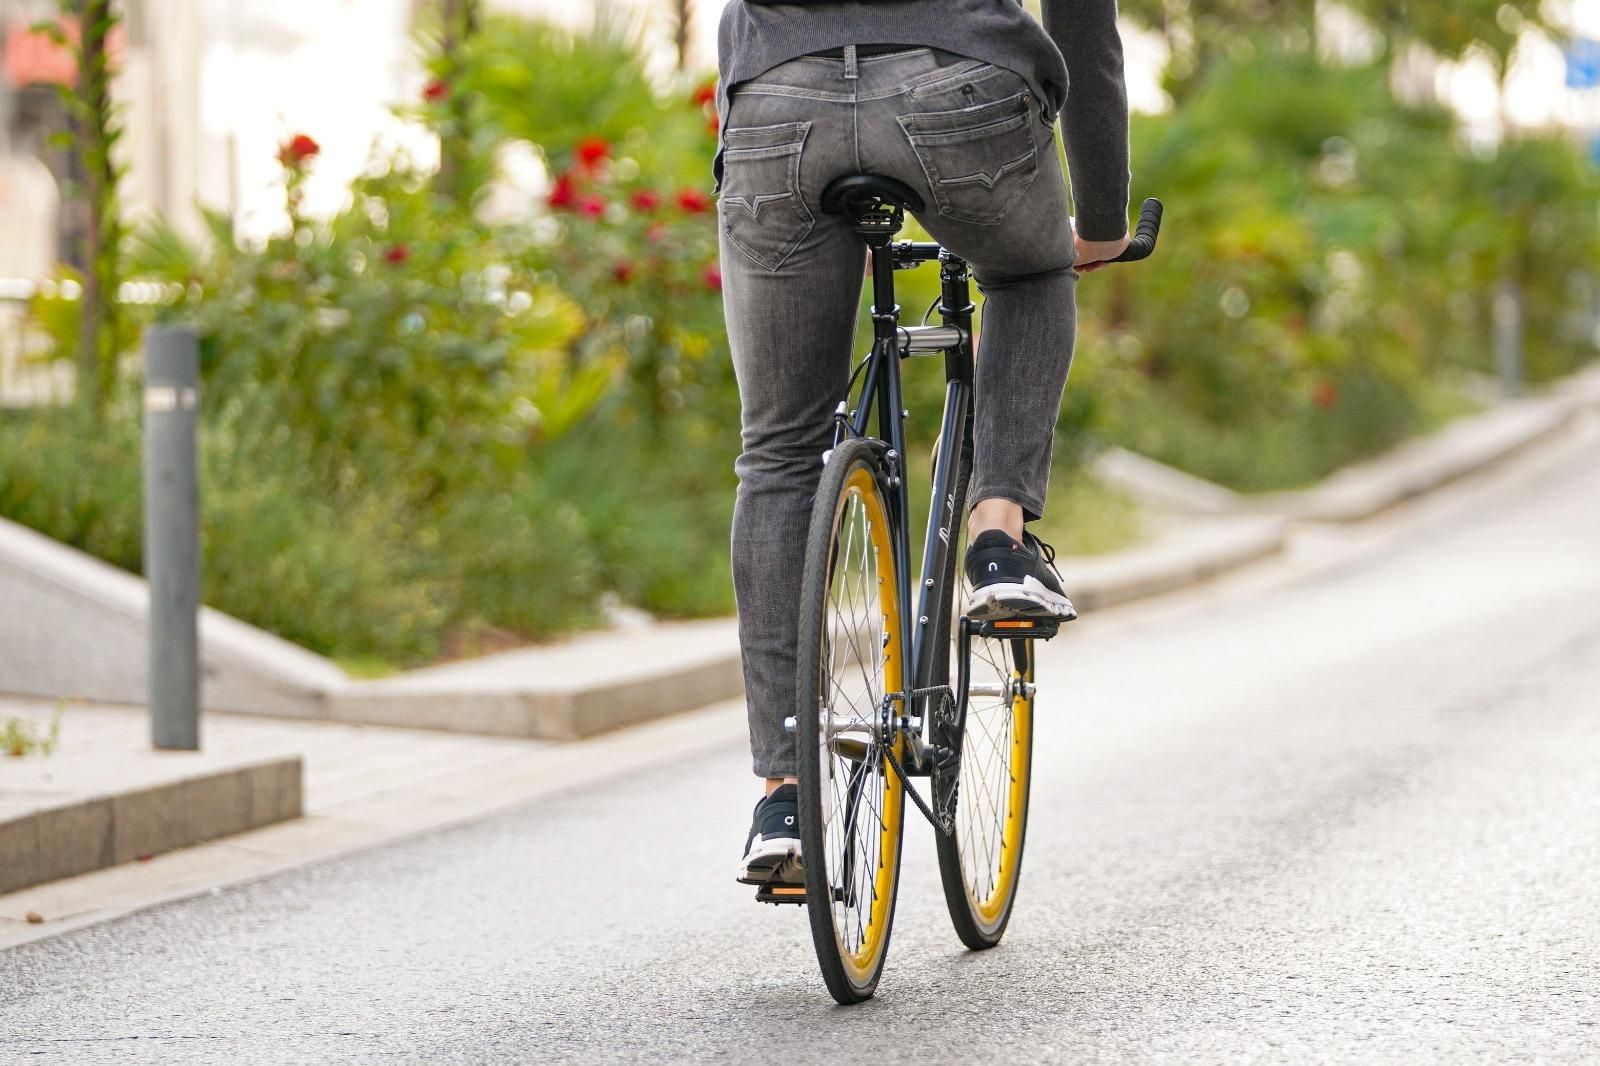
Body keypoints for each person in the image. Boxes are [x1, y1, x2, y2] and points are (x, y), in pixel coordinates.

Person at [716, 0, 1132, 888]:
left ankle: (785, 796)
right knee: (1028, 272)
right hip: (962, 96)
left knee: (782, 452)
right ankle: (997, 536)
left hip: (779, 108)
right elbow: (1083, 21)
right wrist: (1101, 215)